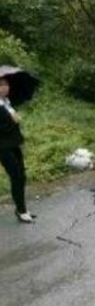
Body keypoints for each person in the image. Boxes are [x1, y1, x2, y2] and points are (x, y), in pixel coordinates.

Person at [0, 77, 33, 223]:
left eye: (6, 85)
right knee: (16, 176)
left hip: (14, 144)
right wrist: (12, 121)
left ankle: (21, 208)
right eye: (0, 86)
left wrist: (15, 120)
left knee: (22, 176)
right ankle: (21, 210)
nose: (4, 88)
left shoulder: (7, 103)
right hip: (3, 147)